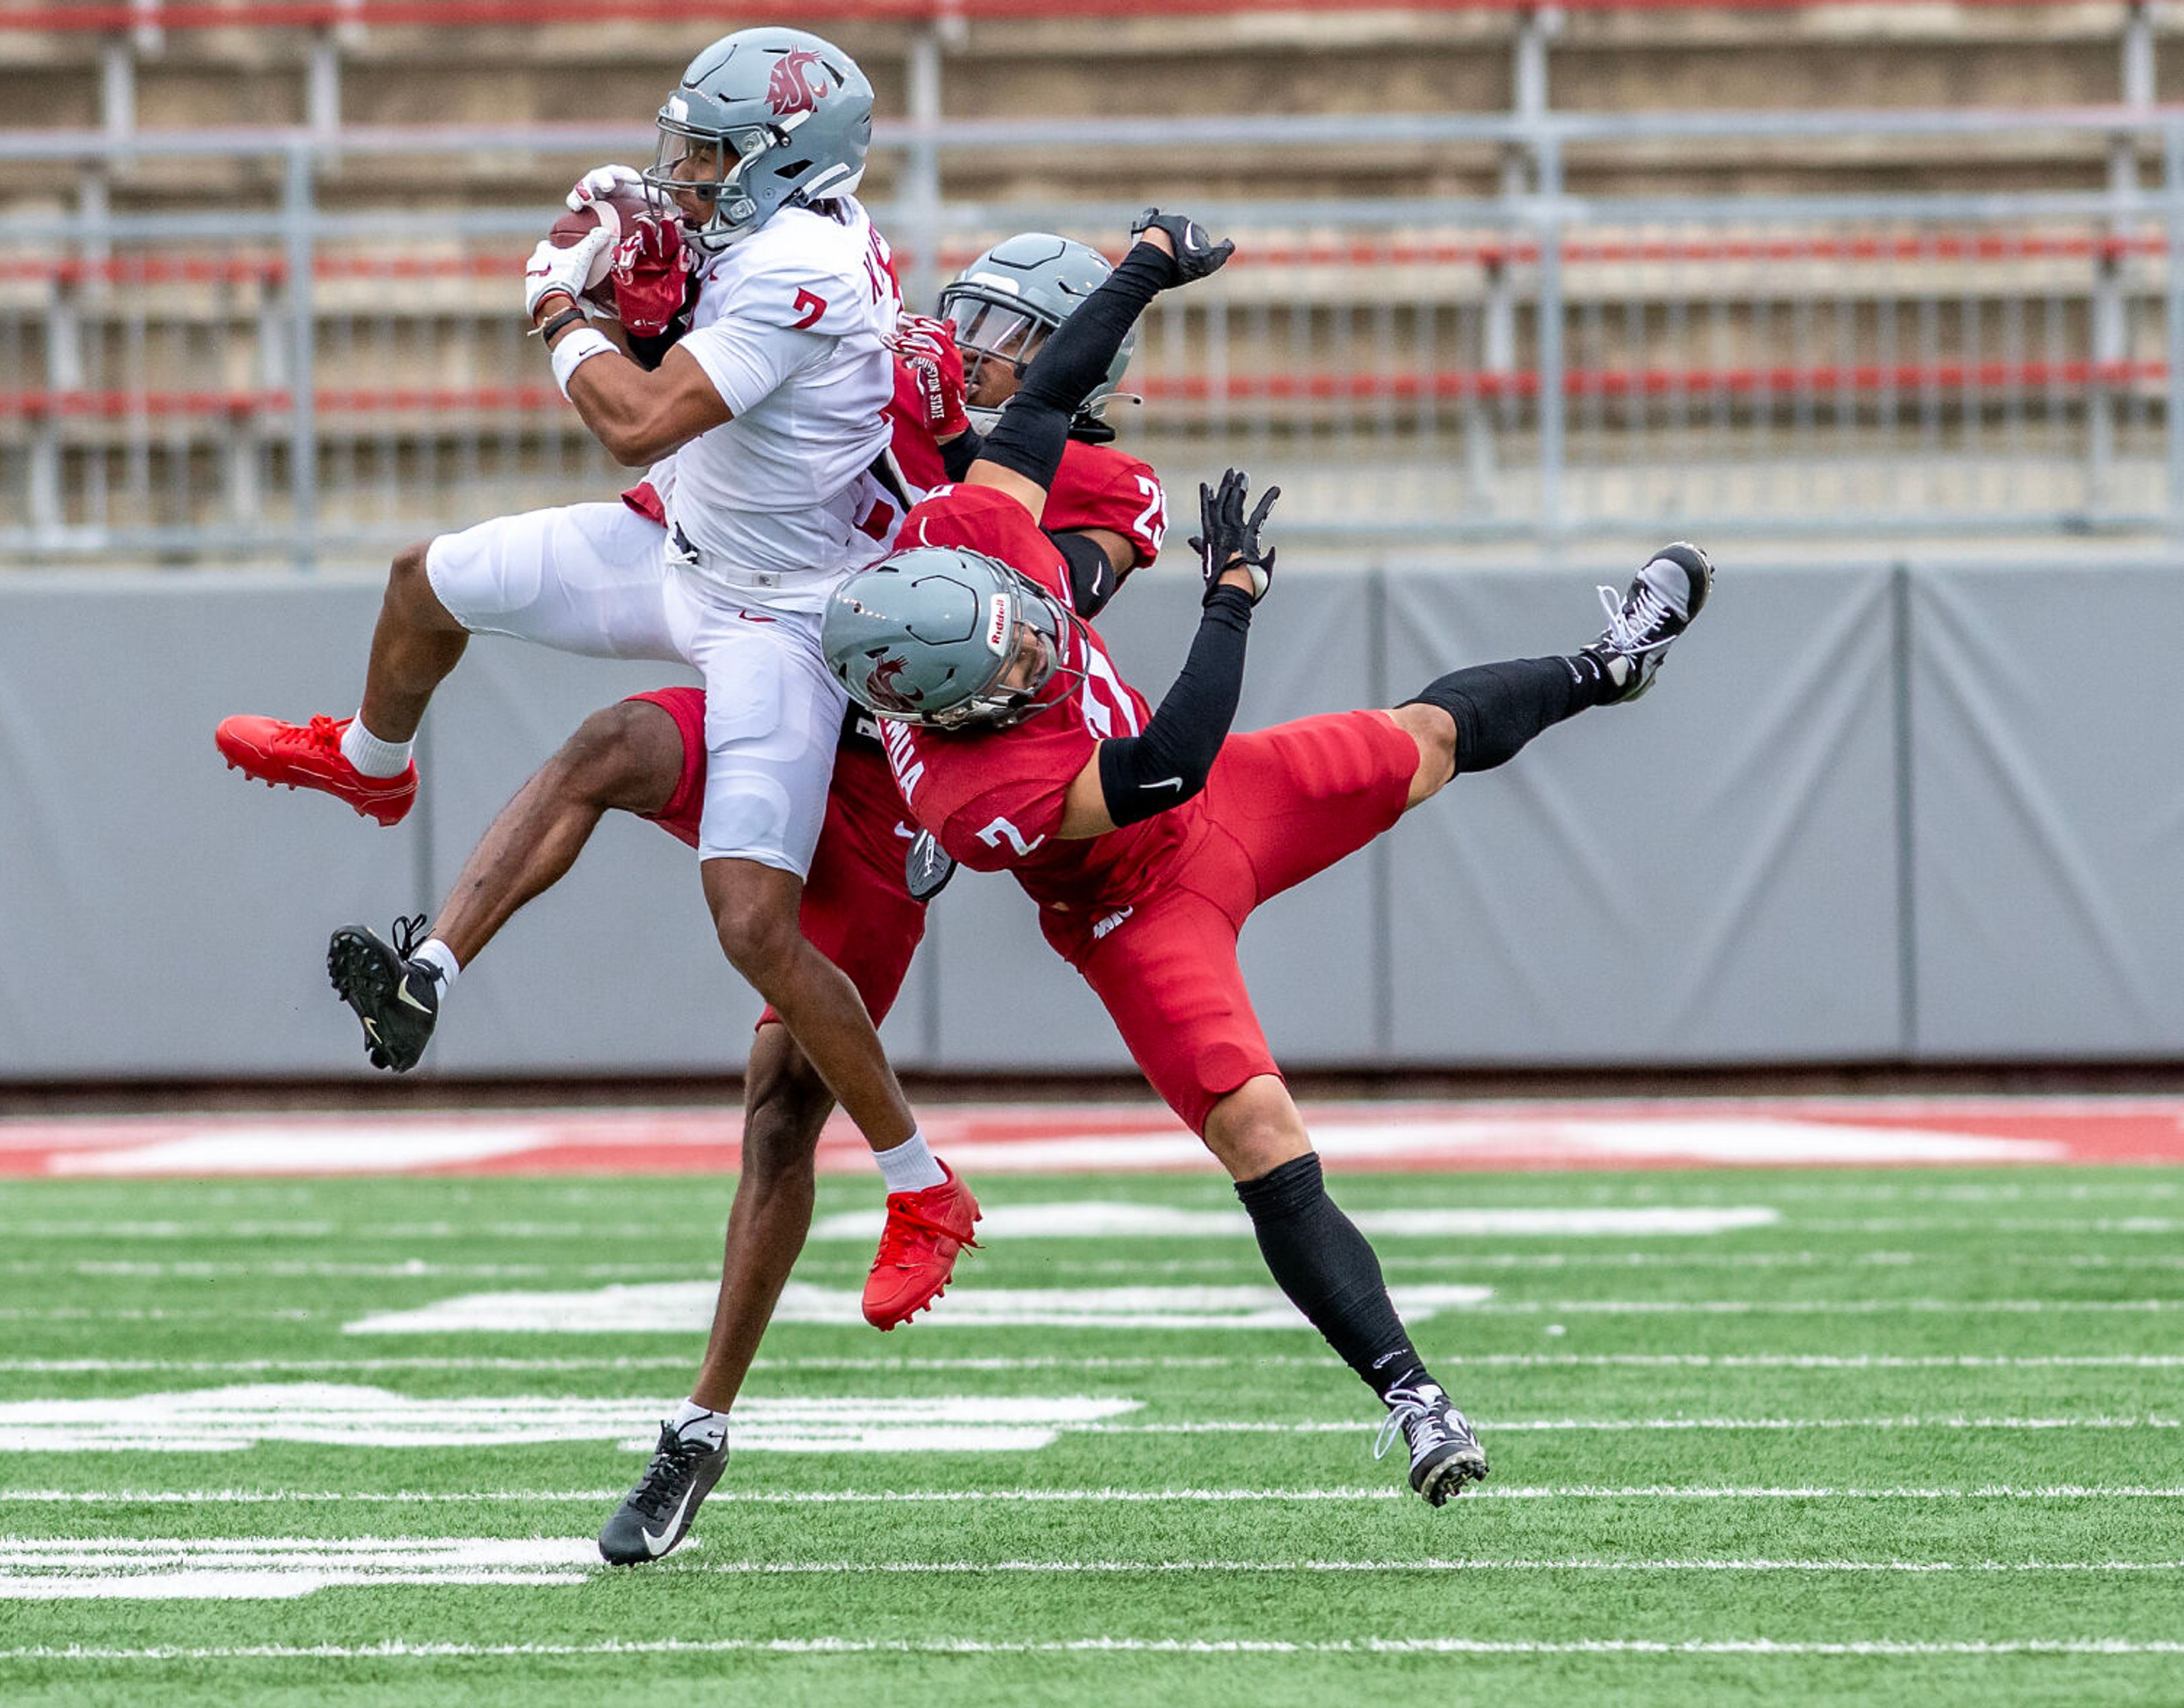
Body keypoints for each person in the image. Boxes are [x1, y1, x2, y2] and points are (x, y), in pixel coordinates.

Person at [818, 209, 1717, 1510]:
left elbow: (1053, 389)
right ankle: (1413, 1395)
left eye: (1021, 635)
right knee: (1259, 1129)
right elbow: (1168, 757)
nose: (1034, 652)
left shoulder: (975, 544)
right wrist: (1231, 593)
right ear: (944, 713)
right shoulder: (973, 795)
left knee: (1422, 742)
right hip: (1138, 906)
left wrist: (1144, 263)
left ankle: (1607, 666)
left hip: (1215, 802)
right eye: (1011, 671)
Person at [311, 237, 1176, 1565]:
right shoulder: (892, 376)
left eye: (1010, 328)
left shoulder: (1102, 481)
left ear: (1075, 356)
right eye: (970, 314)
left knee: (778, 1116)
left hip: (891, 779)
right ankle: (428, 972)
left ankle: (699, 1430)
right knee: (608, 743)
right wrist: (645, 301)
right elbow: (737, 400)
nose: (970, 336)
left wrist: (948, 492)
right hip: (778, 693)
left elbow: (1031, 619)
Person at [211, 28, 966, 1327]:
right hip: (682, 539)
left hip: (780, 613)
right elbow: (673, 344)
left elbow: (636, 412)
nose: (692, 173)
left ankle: (920, 1181)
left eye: (717, 155)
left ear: (789, 168)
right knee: (422, 581)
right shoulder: (772, 229)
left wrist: (564, 307)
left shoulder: (807, 264)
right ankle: (371, 766)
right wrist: (639, 268)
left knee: (750, 925)